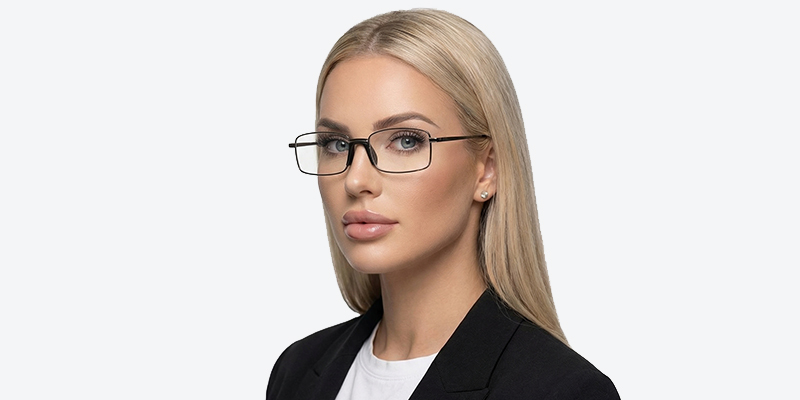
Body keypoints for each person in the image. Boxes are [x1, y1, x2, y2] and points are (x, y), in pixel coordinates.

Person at [268, 9, 620, 400]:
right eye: (336, 144)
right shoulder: (295, 372)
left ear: (487, 169)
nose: (356, 180)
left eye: (406, 141)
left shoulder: (559, 390)